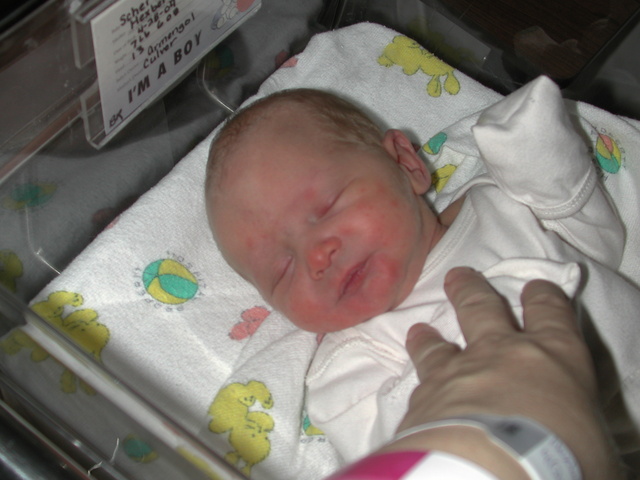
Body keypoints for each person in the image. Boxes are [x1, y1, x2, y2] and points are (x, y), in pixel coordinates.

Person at [205, 77, 640, 466]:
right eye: (281, 269)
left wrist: (543, 161)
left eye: (327, 207)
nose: (317, 257)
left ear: (407, 165)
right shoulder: (349, 366)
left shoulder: (496, 202)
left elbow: (601, 244)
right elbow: (403, 458)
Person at [327, 267, 625, 480]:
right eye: (299, 257)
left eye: (331, 206)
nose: (319, 258)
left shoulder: (499, 211)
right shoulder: (343, 361)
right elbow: (367, 440)